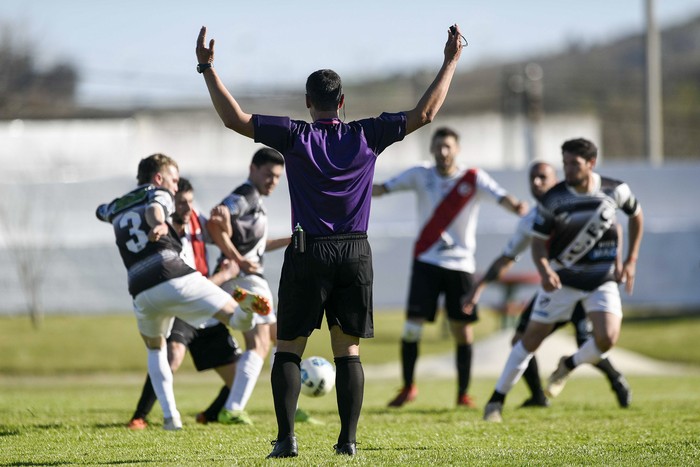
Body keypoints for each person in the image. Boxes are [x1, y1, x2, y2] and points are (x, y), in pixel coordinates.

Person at [196, 22, 464, 458]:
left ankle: (285, 441)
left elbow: (234, 119)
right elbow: (425, 114)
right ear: (342, 102)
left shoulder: (294, 136)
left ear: (308, 103)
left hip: (308, 250)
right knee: (349, 351)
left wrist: (207, 68)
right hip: (356, 252)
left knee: (288, 349)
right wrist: (451, 60)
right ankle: (348, 442)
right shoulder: (366, 134)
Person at [96, 153, 271, 430]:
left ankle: (170, 418)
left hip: (141, 292)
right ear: (159, 178)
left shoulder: (118, 206)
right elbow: (157, 208)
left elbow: (101, 210)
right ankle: (246, 308)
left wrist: (111, 209)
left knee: (156, 349)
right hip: (176, 279)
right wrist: (157, 224)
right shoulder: (160, 193)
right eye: (174, 180)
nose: (175, 187)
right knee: (237, 319)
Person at [483, 138, 643, 422]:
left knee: (607, 339)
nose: (568, 169)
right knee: (528, 340)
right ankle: (496, 401)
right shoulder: (553, 199)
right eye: (565, 163)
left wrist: (629, 261)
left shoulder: (615, 190)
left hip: (600, 280)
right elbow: (538, 244)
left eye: (574, 164)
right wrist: (545, 271)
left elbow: (635, 216)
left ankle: (568, 364)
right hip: (562, 282)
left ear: (591, 163)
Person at [373, 127, 528, 409]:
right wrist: (348, 187)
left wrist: (517, 206)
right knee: (411, 329)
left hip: (460, 266)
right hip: (426, 262)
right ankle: (408, 387)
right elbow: (382, 189)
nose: (443, 152)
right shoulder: (420, 174)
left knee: (463, 332)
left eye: (448, 146)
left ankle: (463, 394)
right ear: (431, 149)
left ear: (457, 149)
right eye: (438, 146)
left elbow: (501, 196)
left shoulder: (473, 178)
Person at [127, 177, 243, 430]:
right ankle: (139, 416)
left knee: (240, 377)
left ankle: (209, 415)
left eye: (189, 202)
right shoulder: (160, 234)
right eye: (181, 203)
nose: (187, 208)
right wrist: (226, 275)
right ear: (168, 204)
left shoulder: (197, 222)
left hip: (205, 306)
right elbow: (189, 287)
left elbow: (221, 237)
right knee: (172, 356)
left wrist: (225, 227)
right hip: (184, 304)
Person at [206, 147, 292, 425]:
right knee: (260, 343)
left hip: (246, 278)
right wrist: (238, 259)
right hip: (244, 280)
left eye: (277, 177)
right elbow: (216, 223)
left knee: (280, 338)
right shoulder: (245, 196)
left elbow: (257, 246)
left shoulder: (255, 200)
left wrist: (290, 241)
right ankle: (232, 408)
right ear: (252, 169)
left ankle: (290, 403)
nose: (273, 181)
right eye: (268, 174)